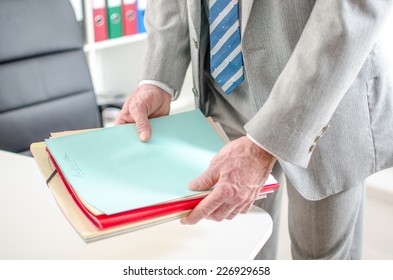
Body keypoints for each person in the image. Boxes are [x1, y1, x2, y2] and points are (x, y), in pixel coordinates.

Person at [115, 0, 393, 259]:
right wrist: (157, 79)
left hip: (325, 103)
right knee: (241, 255)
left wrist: (264, 143)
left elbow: (351, 10)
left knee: (322, 262)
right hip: (225, 93)